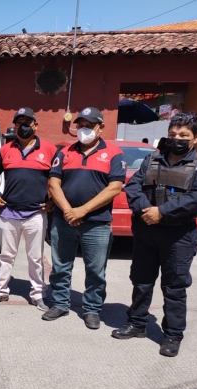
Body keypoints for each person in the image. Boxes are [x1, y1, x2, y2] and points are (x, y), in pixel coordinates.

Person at [112, 112, 197, 357]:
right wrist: (145, 210)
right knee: (141, 280)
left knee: (174, 287)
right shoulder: (152, 159)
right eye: (172, 134)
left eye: (183, 135)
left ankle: (172, 335)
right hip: (147, 232)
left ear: (196, 137)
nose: (176, 139)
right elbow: (133, 187)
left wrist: (162, 212)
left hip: (179, 236)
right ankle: (137, 323)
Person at [44, 107, 126, 328]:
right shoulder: (65, 152)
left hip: (97, 224)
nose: (83, 130)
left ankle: (92, 309)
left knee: (95, 270)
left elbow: (114, 187)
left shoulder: (114, 153)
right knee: (60, 266)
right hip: (64, 221)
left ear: (100, 127)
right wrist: (69, 210)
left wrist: (82, 211)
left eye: (89, 126)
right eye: (80, 126)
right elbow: (53, 183)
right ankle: (60, 303)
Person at [0, 108, 56, 310]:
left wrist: (52, 202)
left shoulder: (49, 149)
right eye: (19, 123)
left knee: (35, 257)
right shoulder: (6, 149)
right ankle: (1, 290)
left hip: (36, 213)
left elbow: (57, 178)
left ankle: (38, 294)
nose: (23, 127)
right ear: (14, 126)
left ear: (35, 125)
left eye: (27, 122)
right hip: (9, 212)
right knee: (6, 255)